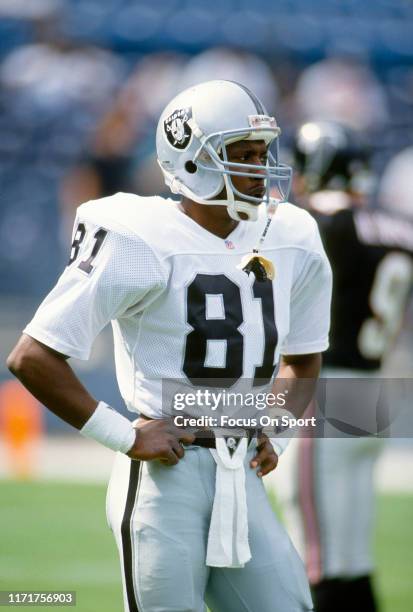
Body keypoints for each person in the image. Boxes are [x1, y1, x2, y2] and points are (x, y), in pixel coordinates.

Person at [7, 80, 332, 612]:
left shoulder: (293, 234)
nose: (259, 167)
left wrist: (275, 427)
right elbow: (33, 356)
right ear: (193, 160)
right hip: (167, 477)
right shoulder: (139, 235)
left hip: (242, 469)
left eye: (262, 153)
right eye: (242, 155)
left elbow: (303, 359)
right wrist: (124, 435)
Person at [281, 121, 413, 612]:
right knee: (354, 554)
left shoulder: (317, 223)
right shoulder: (398, 225)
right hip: (375, 385)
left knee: (316, 553)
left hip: (325, 388)